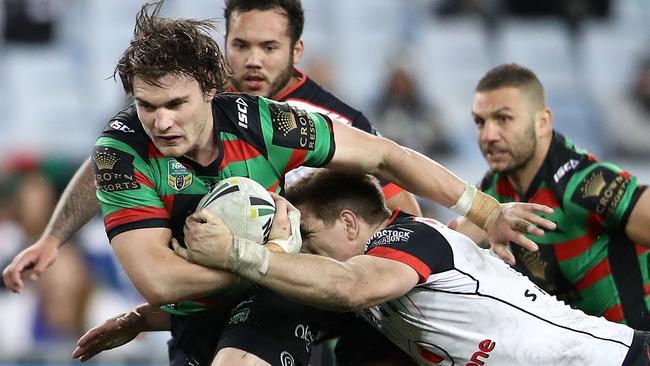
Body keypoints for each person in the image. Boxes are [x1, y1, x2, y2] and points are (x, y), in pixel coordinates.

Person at [25, 2, 555, 365]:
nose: (160, 122)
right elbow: (161, 280)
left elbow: (389, 162)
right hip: (200, 311)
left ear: (211, 91)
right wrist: (59, 239)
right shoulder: (120, 153)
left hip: (287, 292)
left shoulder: (271, 121)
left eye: (175, 106)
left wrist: (487, 214)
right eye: (147, 107)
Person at [2, 0, 420, 295]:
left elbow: (400, 212)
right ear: (225, 47)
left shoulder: (333, 120)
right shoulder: (188, 97)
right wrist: (55, 237)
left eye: (268, 47)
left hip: (309, 291)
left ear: (295, 51)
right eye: (241, 45)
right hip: (203, 293)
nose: (253, 61)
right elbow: (109, 161)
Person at [88, 169, 647, 366]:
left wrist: (240, 253)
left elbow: (351, 285)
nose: (302, 250)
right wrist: (145, 318)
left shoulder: (413, 236)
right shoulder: (375, 287)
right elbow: (295, 298)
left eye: (308, 235)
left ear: (352, 224)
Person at [450, 63, 650, 330]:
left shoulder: (583, 186)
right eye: (480, 122)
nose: (488, 136)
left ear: (542, 122)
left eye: (503, 119)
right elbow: (453, 243)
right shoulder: (496, 189)